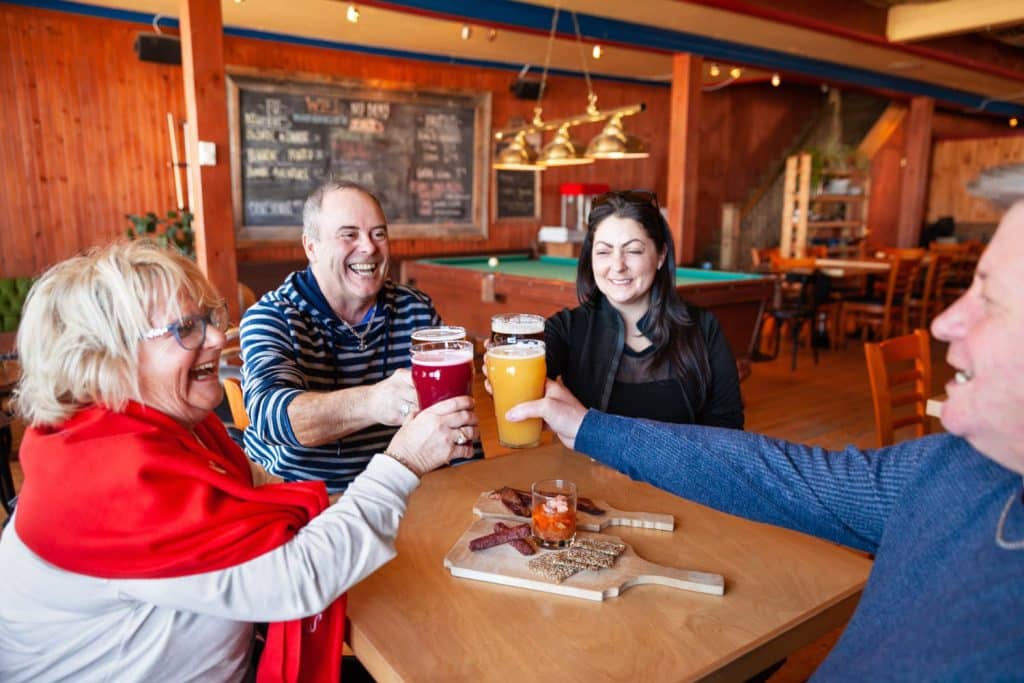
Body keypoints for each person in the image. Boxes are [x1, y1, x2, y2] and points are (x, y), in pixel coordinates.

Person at [506, 200, 1024, 679]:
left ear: (661, 256)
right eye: (604, 250)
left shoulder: (700, 329)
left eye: (993, 300)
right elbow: (768, 472)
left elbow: (735, 444)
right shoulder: (957, 467)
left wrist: (592, 428)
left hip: (693, 520)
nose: (942, 322)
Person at [0, 241, 478, 682]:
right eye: (185, 328)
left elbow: (265, 491)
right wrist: (404, 461)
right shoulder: (107, 479)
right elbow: (295, 579)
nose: (216, 337)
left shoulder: (171, 427)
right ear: (104, 360)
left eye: (208, 316)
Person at [241, 180, 481, 494]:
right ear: (311, 247)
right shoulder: (273, 315)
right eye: (349, 234)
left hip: (404, 493)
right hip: (308, 503)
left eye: (378, 233)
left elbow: (453, 416)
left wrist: (474, 489)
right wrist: (374, 401)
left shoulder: (415, 309)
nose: (369, 247)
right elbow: (271, 418)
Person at [544, 189, 743, 428]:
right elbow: (526, 371)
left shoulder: (705, 328)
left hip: (680, 465)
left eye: (634, 250)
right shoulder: (566, 328)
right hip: (588, 467)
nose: (617, 266)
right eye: (604, 252)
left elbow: (728, 427)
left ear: (660, 255)